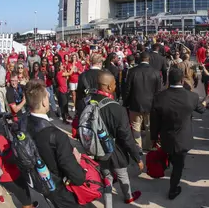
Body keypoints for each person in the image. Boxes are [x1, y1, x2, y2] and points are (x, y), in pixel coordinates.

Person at [25, 79, 86, 208]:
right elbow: (78, 177)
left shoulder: (23, 123)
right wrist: (77, 161)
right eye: (47, 96)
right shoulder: (57, 136)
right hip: (59, 187)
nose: (49, 98)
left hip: (40, 181)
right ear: (43, 101)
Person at [150, 68, 205, 200]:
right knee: (179, 166)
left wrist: (153, 137)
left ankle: (170, 164)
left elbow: (154, 121)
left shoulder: (159, 97)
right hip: (183, 139)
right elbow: (201, 110)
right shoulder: (192, 96)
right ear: (182, 80)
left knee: (173, 157)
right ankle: (173, 190)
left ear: (168, 79)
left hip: (166, 137)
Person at [91, 71, 143, 204]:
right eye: (114, 84)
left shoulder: (88, 102)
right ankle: (128, 196)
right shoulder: (117, 109)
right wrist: (137, 157)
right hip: (116, 151)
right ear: (108, 87)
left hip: (97, 149)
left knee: (106, 178)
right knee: (122, 175)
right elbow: (126, 137)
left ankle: (108, 204)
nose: (116, 86)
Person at [124, 51, 161, 152]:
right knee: (149, 126)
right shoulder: (156, 72)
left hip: (135, 104)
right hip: (151, 105)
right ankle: (148, 145)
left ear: (140, 59)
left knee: (136, 127)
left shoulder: (132, 71)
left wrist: (125, 103)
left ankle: (138, 147)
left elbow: (127, 89)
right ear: (149, 60)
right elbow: (158, 91)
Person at [75, 53, 104, 118]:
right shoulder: (105, 74)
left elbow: (79, 93)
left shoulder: (83, 75)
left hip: (86, 107)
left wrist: (77, 108)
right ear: (100, 63)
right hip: (101, 106)